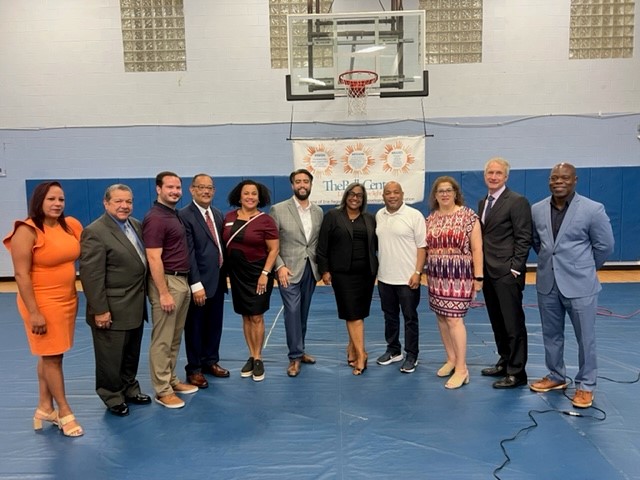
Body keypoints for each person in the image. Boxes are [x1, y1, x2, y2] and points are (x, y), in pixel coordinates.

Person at [529, 163, 614, 409]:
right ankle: (556, 376)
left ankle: (586, 385)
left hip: (581, 286)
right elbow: (539, 244)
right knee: (551, 335)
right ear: (549, 181)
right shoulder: (537, 210)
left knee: (585, 338)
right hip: (547, 283)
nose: (558, 181)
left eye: (564, 177)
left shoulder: (592, 209)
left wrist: (585, 268)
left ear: (574, 180)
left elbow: (605, 246)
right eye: (554, 177)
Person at [3, 181, 84, 436]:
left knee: (51, 354)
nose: (57, 204)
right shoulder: (26, 231)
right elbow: (21, 274)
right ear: (39, 201)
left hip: (68, 299)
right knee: (52, 356)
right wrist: (34, 311)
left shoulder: (71, 225)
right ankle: (64, 411)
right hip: (41, 302)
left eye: (60, 199)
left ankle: (43, 406)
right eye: (51, 199)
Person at [79, 184, 151, 417]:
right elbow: (92, 276)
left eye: (128, 201)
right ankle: (112, 396)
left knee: (131, 353)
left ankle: (130, 388)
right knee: (110, 357)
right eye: (118, 201)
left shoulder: (136, 225)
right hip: (111, 307)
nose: (124, 206)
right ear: (106, 203)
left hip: (135, 304)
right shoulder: (95, 231)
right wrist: (100, 310)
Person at [143, 171, 198, 409]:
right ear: (158, 189)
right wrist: (163, 292)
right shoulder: (155, 218)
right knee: (163, 339)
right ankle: (162, 389)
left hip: (181, 280)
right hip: (167, 282)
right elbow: (154, 258)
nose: (175, 191)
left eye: (178, 187)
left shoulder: (171, 214)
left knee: (175, 337)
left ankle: (172, 379)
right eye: (170, 187)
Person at [478, 158, 532, 389]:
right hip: (488, 272)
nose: (493, 176)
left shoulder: (517, 201)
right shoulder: (483, 203)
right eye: (490, 172)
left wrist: (515, 269)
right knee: (497, 321)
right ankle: (505, 360)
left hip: (507, 273)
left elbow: (524, 237)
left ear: (506, 177)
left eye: (498, 173)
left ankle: (517, 372)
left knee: (512, 323)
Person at [424, 176, 483, 389]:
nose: (445, 194)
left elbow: (477, 248)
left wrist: (478, 277)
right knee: (441, 317)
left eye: (449, 190)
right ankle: (451, 359)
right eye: (440, 191)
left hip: (459, 276)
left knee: (454, 320)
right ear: (435, 195)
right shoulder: (431, 219)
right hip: (436, 275)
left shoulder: (468, 217)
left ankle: (462, 369)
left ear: (456, 193)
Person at [317, 182, 378, 376]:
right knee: (352, 314)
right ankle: (362, 355)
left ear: (363, 199)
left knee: (359, 313)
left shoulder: (369, 218)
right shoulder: (333, 217)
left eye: (359, 195)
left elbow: (376, 245)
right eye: (351, 194)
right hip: (342, 274)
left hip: (366, 274)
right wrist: (324, 270)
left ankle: (352, 349)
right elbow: (322, 246)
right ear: (345, 196)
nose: (355, 198)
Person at [223, 180, 279, 382]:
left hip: (258, 274)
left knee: (256, 316)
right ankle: (250, 354)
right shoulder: (228, 217)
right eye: (246, 193)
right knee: (245, 316)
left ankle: (258, 358)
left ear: (259, 197)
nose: (250, 197)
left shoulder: (266, 221)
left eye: (254, 194)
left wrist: (265, 273)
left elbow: (274, 249)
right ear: (239, 196)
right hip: (237, 276)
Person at [270, 169, 324, 377]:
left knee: (302, 312)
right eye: (298, 181)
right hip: (287, 270)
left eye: (306, 181)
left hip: (310, 269)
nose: (302, 185)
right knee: (292, 311)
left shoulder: (318, 211)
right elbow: (272, 242)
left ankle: (300, 351)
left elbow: (316, 243)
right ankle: (294, 357)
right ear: (292, 185)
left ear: (311, 184)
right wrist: (279, 266)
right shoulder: (278, 209)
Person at [179, 174, 229, 389]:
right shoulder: (184, 216)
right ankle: (195, 369)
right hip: (198, 283)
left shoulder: (217, 214)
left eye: (210, 188)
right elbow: (189, 253)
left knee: (214, 325)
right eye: (201, 187)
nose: (206, 191)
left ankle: (211, 361)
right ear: (192, 190)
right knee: (195, 327)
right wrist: (195, 283)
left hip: (217, 280)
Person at [375, 181, 427, 374]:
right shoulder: (379, 215)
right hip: (385, 278)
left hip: (408, 279)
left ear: (402, 194)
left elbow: (422, 247)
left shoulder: (414, 216)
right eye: (388, 193)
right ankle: (393, 350)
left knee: (410, 318)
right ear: (383, 196)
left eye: (396, 192)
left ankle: (412, 354)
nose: (392, 196)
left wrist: (417, 272)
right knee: (390, 316)